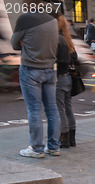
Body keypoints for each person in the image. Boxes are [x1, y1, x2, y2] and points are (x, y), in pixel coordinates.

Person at [11, 0, 60, 158]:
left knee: (34, 111)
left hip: (31, 68)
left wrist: (24, 43)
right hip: (50, 69)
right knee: (52, 110)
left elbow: (14, 44)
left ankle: (37, 148)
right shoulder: (53, 20)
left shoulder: (25, 19)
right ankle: (53, 147)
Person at [56, 15, 78, 148]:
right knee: (68, 108)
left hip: (58, 78)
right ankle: (72, 138)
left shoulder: (56, 40)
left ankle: (63, 138)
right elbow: (74, 57)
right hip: (68, 78)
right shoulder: (68, 40)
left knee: (60, 109)